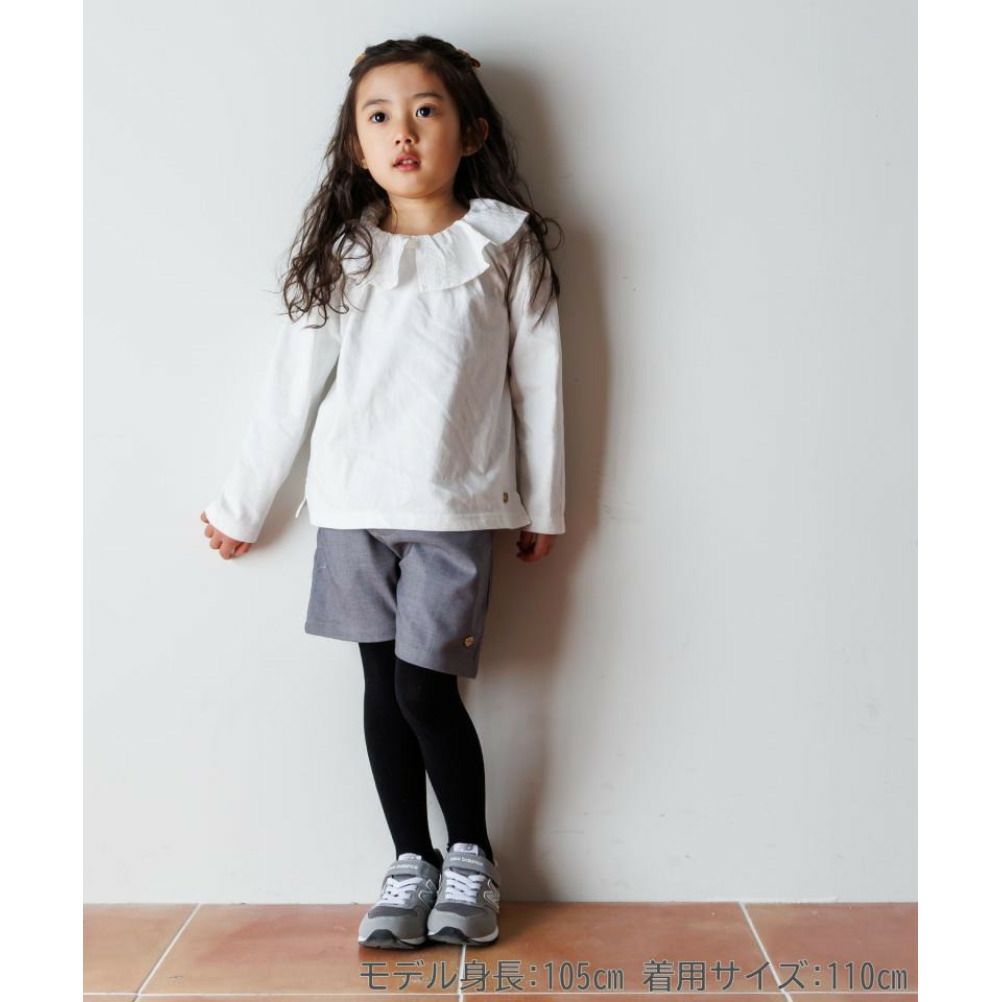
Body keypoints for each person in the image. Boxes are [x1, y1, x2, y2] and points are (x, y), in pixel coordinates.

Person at [199, 35, 565, 950]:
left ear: (470, 133)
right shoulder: (345, 256)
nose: (403, 131)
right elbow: (290, 390)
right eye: (380, 116)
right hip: (352, 508)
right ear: (356, 147)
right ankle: (411, 862)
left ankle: (471, 855)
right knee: (381, 688)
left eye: (425, 111)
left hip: (455, 509)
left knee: (423, 690)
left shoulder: (504, 245)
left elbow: (541, 384)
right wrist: (242, 507)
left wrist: (545, 505)